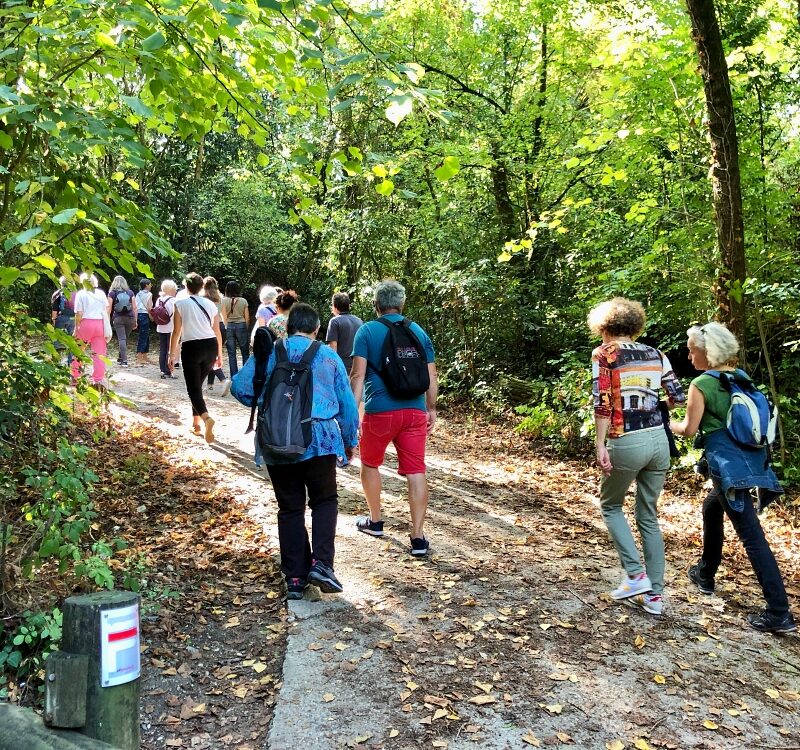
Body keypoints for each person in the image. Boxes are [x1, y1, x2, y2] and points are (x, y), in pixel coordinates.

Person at [670, 323, 795, 633]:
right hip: (752, 462)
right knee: (711, 508)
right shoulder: (743, 379)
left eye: (692, 349)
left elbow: (688, 429)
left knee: (751, 535)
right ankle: (705, 572)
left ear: (707, 352)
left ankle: (779, 611)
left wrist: (662, 421)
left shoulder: (702, 383)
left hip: (726, 467)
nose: (689, 354)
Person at [589, 298, 686, 616]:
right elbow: (677, 397)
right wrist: (651, 408)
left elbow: (603, 401)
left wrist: (600, 443)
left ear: (603, 327)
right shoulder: (657, 354)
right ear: (634, 326)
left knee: (611, 505)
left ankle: (635, 575)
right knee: (648, 515)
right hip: (659, 442)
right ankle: (655, 597)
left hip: (626, 440)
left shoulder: (604, 354)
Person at [261, 303, 359, 599]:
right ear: (316, 329)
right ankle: (322, 564)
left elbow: (242, 388)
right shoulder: (328, 357)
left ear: (289, 326)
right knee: (324, 500)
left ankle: (294, 577)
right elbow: (346, 405)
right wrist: (349, 439)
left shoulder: (272, 353)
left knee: (290, 507)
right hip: (320, 438)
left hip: (278, 437)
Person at [350, 280, 438, 556]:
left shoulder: (366, 331)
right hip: (414, 411)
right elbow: (431, 376)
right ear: (401, 304)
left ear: (376, 305)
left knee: (370, 463)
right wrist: (431, 408)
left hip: (380, 411)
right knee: (416, 470)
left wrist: (352, 413)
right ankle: (418, 538)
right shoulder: (418, 332)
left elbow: (358, 375)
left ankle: (375, 521)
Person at [168, 272, 223, 443]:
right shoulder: (210, 304)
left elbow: (176, 331)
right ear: (201, 287)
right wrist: (220, 353)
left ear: (185, 286)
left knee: (193, 389)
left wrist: (171, 354)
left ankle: (206, 419)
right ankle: (196, 423)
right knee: (197, 386)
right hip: (211, 345)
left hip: (192, 347)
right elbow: (216, 330)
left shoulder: (180, 303)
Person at [71, 273, 111, 385]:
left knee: (79, 351)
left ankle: (76, 376)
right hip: (100, 324)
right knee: (99, 353)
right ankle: (98, 378)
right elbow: (106, 310)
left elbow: (79, 313)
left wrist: (76, 328)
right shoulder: (101, 293)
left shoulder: (81, 294)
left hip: (85, 323)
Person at [203, 276, 231, 396]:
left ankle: (223, 380)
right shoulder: (220, 299)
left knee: (209, 358)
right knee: (213, 356)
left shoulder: (202, 299)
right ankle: (210, 386)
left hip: (209, 328)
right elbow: (224, 317)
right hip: (221, 328)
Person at [326, 292, 363, 374]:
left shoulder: (335, 321)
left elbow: (333, 350)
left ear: (335, 307)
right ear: (348, 306)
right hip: (358, 369)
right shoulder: (359, 321)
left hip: (341, 370)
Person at [107, 275, 138, 367]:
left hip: (118, 318)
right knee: (125, 338)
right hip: (130, 318)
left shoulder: (112, 293)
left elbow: (108, 309)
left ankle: (124, 360)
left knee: (122, 338)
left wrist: (107, 321)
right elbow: (135, 307)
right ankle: (121, 358)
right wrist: (135, 320)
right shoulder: (130, 292)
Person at [222, 280, 250, 377]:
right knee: (245, 352)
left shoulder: (223, 301)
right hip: (241, 325)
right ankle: (246, 374)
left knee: (231, 353)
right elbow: (247, 317)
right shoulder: (243, 301)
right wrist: (245, 328)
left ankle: (234, 376)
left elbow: (224, 317)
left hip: (229, 326)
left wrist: (226, 328)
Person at [156, 279, 178, 379]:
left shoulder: (159, 299)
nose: (175, 291)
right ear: (171, 289)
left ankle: (162, 370)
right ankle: (169, 370)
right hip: (170, 328)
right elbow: (174, 316)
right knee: (170, 350)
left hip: (160, 327)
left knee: (163, 349)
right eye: (174, 289)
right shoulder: (173, 301)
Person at [51, 276, 76, 364]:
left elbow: (54, 310)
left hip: (61, 318)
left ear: (61, 283)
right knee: (71, 341)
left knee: (56, 342)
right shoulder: (76, 294)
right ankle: (70, 362)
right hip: (73, 319)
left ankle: (55, 363)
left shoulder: (58, 294)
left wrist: (54, 321)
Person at [135, 278, 153, 366]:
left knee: (145, 335)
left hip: (138, 315)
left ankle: (145, 356)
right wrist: (152, 316)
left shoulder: (138, 294)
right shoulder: (149, 294)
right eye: (150, 284)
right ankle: (139, 357)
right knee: (143, 336)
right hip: (145, 315)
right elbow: (150, 307)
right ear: (146, 285)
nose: (151, 286)